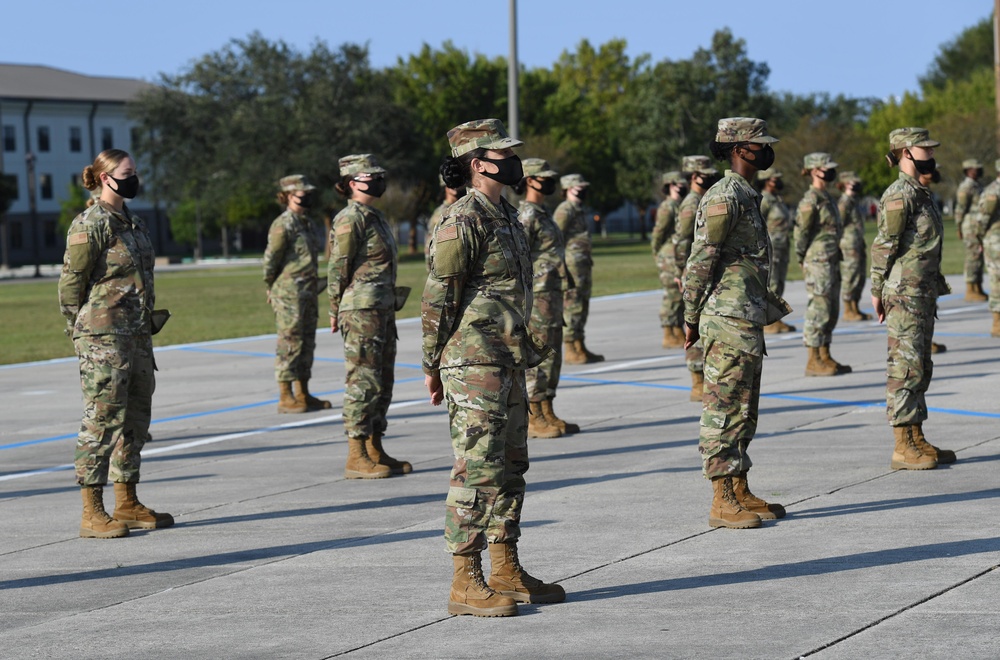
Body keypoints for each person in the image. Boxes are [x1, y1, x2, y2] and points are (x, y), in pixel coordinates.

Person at [423, 118, 565, 617]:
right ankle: (465, 580)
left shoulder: (506, 214)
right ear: (478, 162)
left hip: (506, 358)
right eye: (502, 152)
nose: (513, 158)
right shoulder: (460, 218)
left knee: (510, 465)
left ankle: (506, 566)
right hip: (473, 358)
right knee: (477, 468)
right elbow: (439, 294)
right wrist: (431, 361)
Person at [58, 149, 174, 538]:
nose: (134, 178)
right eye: (128, 173)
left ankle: (127, 501)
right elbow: (71, 284)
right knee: (102, 418)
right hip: (103, 337)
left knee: (136, 417)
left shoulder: (133, 222)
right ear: (106, 178)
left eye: (135, 172)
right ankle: (92, 511)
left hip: (137, 333)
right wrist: (81, 330)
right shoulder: (91, 223)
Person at [683, 117, 787, 529]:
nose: (765, 150)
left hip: (745, 316)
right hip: (725, 318)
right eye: (759, 144)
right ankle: (721, 498)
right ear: (739, 148)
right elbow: (701, 259)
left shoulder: (746, 194)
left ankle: (739, 485)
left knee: (744, 408)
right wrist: (689, 316)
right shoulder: (724, 196)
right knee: (723, 409)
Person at [871, 127, 957, 470]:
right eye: (925, 150)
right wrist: (876, 290)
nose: (931, 155)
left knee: (920, 366)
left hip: (921, 294)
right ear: (905, 153)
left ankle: (916, 434)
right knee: (904, 367)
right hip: (903, 294)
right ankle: (902, 444)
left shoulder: (922, 193)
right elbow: (883, 246)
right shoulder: (898, 195)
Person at [328, 154, 409, 479]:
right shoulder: (350, 217)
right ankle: (356, 453)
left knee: (382, 379)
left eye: (380, 174)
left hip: (381, 308)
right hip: (360, 310)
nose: (378, 180)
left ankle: (375, 445)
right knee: (363, 379)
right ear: (351, 183)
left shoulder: (374, 216)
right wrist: (334, 307)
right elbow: (338, 266)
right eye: (370, 176)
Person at [515, 158, 580, 439]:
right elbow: (519, 257)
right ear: (530, 180)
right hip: (538, 294)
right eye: (545, 177)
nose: (550, 182)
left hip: (552, 292)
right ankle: (534, 414)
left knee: (552, 352)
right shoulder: (526, 215)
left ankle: (547, 406)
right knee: (539, 352)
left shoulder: (543, 212)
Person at [263, 174, 331, 415]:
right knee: (289, 341)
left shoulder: (307, 223)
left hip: (308, 290)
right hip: (289, 293)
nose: (307, 197)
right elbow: (271, 260)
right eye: (302, 193)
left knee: (306, 341)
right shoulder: (284, 224)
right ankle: (285, 395)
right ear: (288, 196)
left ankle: (303, 391)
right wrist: (271, 287)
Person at [795, 152, 851, 377]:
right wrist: (802, 258)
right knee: (819, 308)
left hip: (831, 258)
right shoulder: (811, 200)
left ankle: (825, 354)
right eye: (825, 167)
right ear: (814, 170)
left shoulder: (826, 196)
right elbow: (801, 233)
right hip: (818, 260)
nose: (830, 171)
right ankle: (813, 359)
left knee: (831, 308)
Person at [675, 156, 717, 401]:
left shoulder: (705, 199)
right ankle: (696, 382)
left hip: (704, 269)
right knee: (694, 325)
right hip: (693, 271)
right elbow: (680, 241)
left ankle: (704, 379)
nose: (710, 178)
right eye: (705, 175)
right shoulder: (691, 204)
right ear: (693, 176)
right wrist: (680, 272)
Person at [556, 173, 603, 364]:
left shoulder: (579, 209)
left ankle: (580, 344)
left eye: (584, 188)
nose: (583, 191)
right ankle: (570, 348)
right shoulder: (564, 210)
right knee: (572, 307)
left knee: (582, 306)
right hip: (571, 267)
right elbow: (556, 239)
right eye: (579, 188)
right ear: (567, 188)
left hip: (583, 265)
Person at [758, 168, 796, 334]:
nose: (778, 182)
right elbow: (758, 223)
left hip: (782, 246)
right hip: (770, 247)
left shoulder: (777, 199)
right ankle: (767, 321)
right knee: (771, 283)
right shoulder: (764, 200)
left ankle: (776, 319)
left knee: (779, 282)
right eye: (775, 179)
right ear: (767, 181)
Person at [652, 171, 687, 348]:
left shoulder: (680, 204)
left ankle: (677, 328)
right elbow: (658, 233)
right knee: (672, 294)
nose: (681, 186)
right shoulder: (668, 206)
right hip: (669, 256)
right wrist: (657, 253)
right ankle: (669, 332)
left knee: (680, 295)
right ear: (670, 186)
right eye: (677, 184)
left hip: (678, 254)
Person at [838, 171, 872, 322]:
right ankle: (848, 310)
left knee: (859, 277)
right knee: (850, 277)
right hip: (848, 246)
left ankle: (855, 306)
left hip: (858, 244)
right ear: (846, 184)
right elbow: (839, 226)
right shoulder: (844, 203)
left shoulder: (854, 201)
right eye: (853, 182)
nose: (856, 184)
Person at [971, 159, 1000, 338]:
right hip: (996, 241)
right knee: (997, 281)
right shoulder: (992, 191)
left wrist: (979, 236)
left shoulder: (992, 190)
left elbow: (982, 219)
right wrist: (980, 237)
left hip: (994, 240)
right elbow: (983, 219)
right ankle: (997, 323)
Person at [955, 158, 988, 302]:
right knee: (972, 257)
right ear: (968, 171)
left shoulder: (977, 185)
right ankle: (970, 289)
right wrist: (958, 226)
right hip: (970, 227)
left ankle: (978, 286)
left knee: (979, 257)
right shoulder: (966, 187)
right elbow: (960, 208)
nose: (977, 171)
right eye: (974, 169)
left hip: (978, 226)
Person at [426, 169, 466, 271]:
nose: (455, 186)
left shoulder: (465, 208)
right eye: (450, 183)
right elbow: (430, 247)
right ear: (444, 186)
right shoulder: (440, 214)